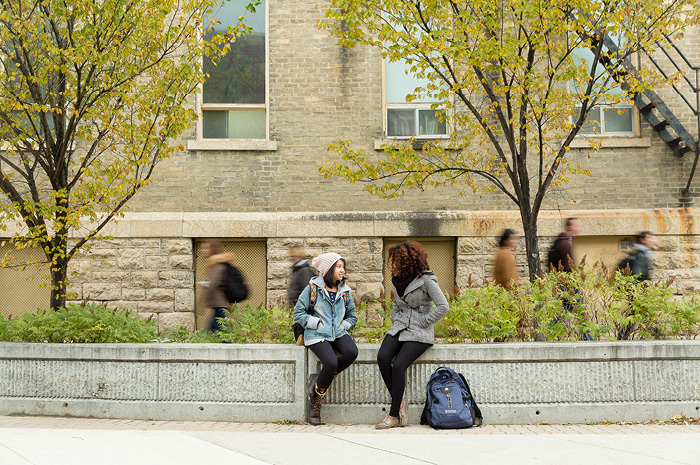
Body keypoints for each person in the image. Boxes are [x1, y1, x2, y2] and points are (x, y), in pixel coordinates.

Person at [375, 241, 449, 429]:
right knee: (383, 357)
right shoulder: (396, 280)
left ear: (406, 262)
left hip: (419, 331)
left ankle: (393, 416)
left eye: (395, 261)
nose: (391, 265)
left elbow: (443, 306)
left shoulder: (426, 281)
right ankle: (400, 403)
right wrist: (394, 318)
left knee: (399, 365)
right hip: (400, 327)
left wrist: (424, 321)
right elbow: (395, 305)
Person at [293, 252, 358, 426]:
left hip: (337, 332)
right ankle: (315, 404)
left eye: (343, 267)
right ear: (328, 269)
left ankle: (319, 380)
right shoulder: (312, 289)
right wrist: (315, 322)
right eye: (338, 266)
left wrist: (344, 326)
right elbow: (298, 313)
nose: (342, 270)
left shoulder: (345, 291)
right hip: (316, 334)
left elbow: (352, 316)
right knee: (330, 363)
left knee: (352, 352)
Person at [198, 240, 235, 332]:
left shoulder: (217, 265)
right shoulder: (214, 264)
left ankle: (227, 346)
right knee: (210, 332)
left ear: (212, 249)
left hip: (220, 304)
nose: (202, 250)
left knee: (223, 333)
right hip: (218, 304)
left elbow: (213, 284)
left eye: (205, 248)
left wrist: (202, 303)